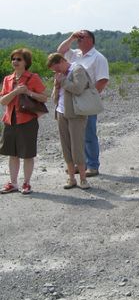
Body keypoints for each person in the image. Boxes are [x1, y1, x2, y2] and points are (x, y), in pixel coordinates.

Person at [57, 30, 109, 177]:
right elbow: (60, 51)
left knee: (89, 134)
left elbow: (102, 80)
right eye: (78, 37)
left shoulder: (98, 58)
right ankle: (81, 164)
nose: (79, 39)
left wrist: (90, 98)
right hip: (71, 101)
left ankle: (92, 165)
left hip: (85, 101)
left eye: (82, 37)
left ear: (90, 40)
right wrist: (71, 37)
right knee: (76, 135)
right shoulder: (75, 54)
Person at [0, 48, 48, 195]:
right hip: (10, 120)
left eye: (19, 59)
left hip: (27, 121)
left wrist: (28, 92)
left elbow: (44, 98)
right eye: (13, 59)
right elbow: (3, 101)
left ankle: (26, 183)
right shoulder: (7, 79)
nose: (15, 61)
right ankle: (13, 183)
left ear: (26, 62)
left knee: (27, 154)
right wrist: (15, 92)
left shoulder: (33, 77)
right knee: (12, 153)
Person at [47, 53, 91, 190]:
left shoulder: (78, 69)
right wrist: (56, 86)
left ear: (61, 61)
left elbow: (78, 89)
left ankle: (83, 179)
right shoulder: (60, 75)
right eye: (54, 70)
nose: (56, 72)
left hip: (76, 114)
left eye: (56, 68)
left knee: (77, 146)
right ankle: (71, 178)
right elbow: (54, 97)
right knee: (66, 146)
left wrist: (63, 81)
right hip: (61, 112)